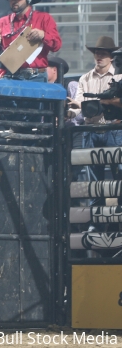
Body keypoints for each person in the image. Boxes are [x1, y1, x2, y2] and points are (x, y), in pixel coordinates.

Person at [68, 36, 122, 232]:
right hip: (92, 130)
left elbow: (82, 105)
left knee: (119, 176)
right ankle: (96, 222)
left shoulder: (119, 77)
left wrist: (83, 106)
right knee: (94, 181)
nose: (99, 56)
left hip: (113, 129)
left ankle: (115, 220)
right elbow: (78, 106)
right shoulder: (85, 78)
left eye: (103, 53)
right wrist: (71, 112)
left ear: (110, 57)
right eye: (97, 53)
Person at [0, 0, 61, 83]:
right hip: (12, 76)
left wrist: (43, 35)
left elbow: (56, 45)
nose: (14, 1)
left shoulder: (44, 18)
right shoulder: (2, 22)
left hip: (37, 76)